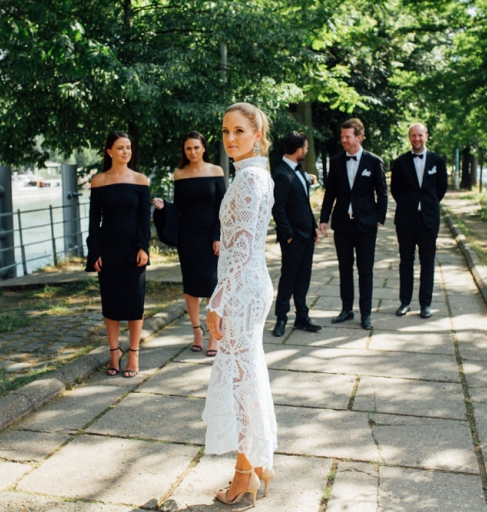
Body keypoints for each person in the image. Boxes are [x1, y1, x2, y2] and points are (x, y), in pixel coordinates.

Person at [204, 102, 277, 506]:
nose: (230, 138)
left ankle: (244, 477)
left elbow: (244, 248)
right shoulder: (254, 173)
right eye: (225, 131)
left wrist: (217, 301)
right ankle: (258, 464)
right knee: (245, 380)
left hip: (241, 291)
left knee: (242, 384)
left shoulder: (250, 179)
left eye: (239, 131)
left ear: (257, 136)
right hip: (246, 286)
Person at [153, 132, 225, 356]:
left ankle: (214, 333)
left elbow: (222, 208)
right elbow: (179, 208)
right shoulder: (180, 173)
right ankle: (197, 332)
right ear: (184, 151)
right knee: (191, 287)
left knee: (212, 286)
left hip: (210, 237)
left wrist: (218, 236)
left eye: (196, 147)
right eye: (188, 148)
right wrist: (164, 207)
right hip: (188, 237)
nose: (193, 152)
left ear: (203, 148)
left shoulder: (216, 171)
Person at [85, 132, 150, 378]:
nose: (126, 152)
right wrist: (95, 251)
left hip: (134, 250)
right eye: (120, 148)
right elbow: (93, 221)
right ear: (109, 151)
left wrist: (143, 247)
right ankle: (114, 352)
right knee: (110, 303)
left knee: (135, 303)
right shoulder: (98, 181)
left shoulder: (140, 180)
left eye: (128, 147)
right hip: (108, 249)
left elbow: (144, 219)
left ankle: (133, 353)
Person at [319, 118, 388, 330]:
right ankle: (346, 309)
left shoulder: (373, 161)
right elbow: (330, 193)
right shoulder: (336, 162)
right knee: (344, 268)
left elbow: (382, 193)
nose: (343, 140)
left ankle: (366, 313)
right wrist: (323, 219)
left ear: (358, 137)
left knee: (365, 270)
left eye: (347, 137)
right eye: (342, 137)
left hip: (366, 224)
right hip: (342, 224)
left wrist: (379, 219)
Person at [390, 122, 448, 319]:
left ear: (426, 136)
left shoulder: (437, 161)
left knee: (427, 262)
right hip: (406, 220)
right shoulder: (400, 162)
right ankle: (405, 302)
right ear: (409, 138)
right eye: (413, 135)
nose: (417, 139)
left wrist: (427, 204)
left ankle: (425, 304)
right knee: (406, 262)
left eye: (420, 135)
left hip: (429, 220)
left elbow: (441, 188)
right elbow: (395, 190)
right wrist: (410, 204)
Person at [270, 131, 321, 337]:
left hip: (307, 234)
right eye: (305, 147)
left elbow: (305, 204)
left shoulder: (299, 171)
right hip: (293, 238)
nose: (306, 150)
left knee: (303, 278)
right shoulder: (281, 174)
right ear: (299, 150)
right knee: (288, 278)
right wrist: (289, 235)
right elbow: (278, 209)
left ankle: (302, 317)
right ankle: (281, 318)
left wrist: (314, 226)